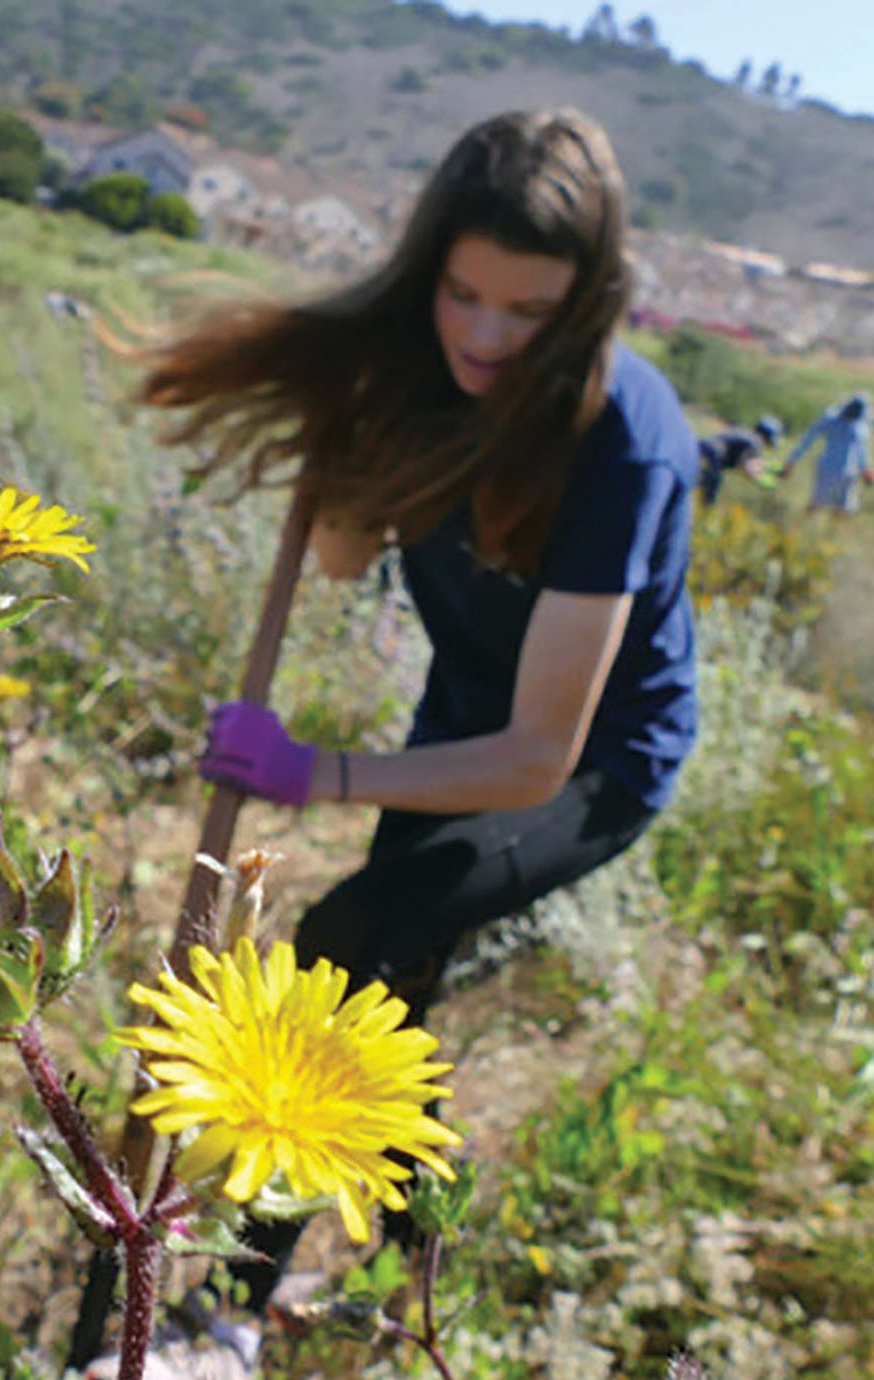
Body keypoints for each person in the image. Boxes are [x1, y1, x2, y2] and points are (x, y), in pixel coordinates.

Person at [140, 108, 699, 1313]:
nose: (487, 339)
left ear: (587, 302)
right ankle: (415, 1260)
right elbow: (340, 561)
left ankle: (230, 1315)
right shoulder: (420, 369)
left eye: (528, 312)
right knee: (395, 991)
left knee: (345, 943)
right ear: (424, 270)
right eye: (461, 296)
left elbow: (536, 759)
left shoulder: (622, 449)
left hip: (589, 765)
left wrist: (314, 773)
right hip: (461, 721)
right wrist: (348, 440)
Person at [778, 391, 874, 512]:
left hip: (849, 473)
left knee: (844, 510)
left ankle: (831, 531)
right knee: (816, 504)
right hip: (828, 469)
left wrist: (866, 471)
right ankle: (800, 527)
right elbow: (807, 441)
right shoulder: (831, 420)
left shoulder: (861, 428)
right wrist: (791, 462)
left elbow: (861, 452)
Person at [696, 414, 783, 507]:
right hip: (714, 456)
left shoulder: (747, 434)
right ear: (767, 436)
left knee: (699, 482)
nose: (768, 444)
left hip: (701, 449)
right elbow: (745, 466)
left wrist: (771, 468)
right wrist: (763, 480)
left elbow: (749, 462)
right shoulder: (755, 443)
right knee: (709, 495)